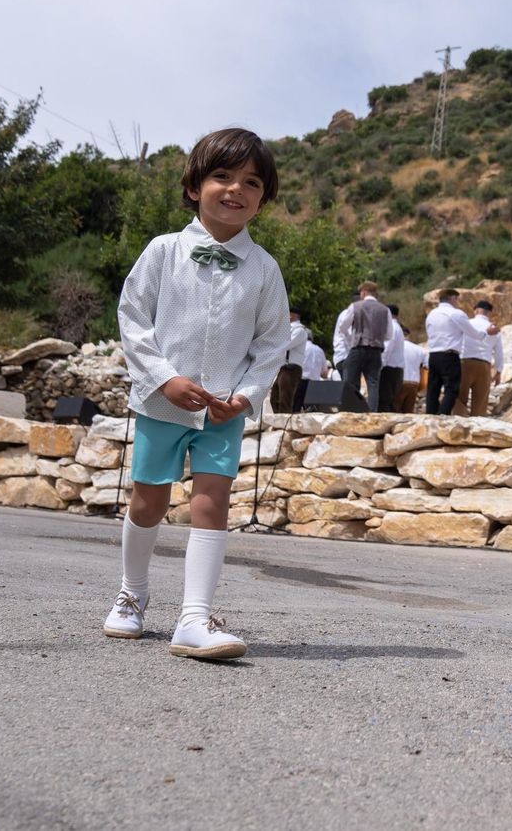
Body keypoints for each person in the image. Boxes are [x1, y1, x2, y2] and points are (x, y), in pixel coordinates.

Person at [104, 127, 291, 661]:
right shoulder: (164, 252)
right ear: (194, 187)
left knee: (213, 503)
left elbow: (273, 341)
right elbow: (133, 318)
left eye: (251, 182)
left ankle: (193, 617)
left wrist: (248, 394)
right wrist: (163, 376)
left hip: (224, 412)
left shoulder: (264, 269)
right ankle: (132, 595)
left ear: (263, 198)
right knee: (149, 500)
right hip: (162, 404)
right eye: (222, 176)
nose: (236, 189)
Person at [425, 288, 500, 416]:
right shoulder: (456, 314)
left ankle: (430, 415)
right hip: (450, 355)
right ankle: (443, 415)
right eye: (456, 299)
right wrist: (486, 333)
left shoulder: (431, 314)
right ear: (452, 298)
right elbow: (472, 333)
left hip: (433, 354)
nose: (457, 302)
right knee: (452, 388)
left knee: (433, 388)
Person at [339, 282, 390, 411]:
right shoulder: (385, 309)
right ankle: (372, 412)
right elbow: (389, 335)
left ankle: (353, 409)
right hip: (376, 350)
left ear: (364, 291)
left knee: (351, 380)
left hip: (358, 347)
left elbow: (343, 327)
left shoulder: (356, 306)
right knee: (373, 383)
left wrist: (352, 339)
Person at [456, 300, 505, 417]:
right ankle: (477, 429)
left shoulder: (467, 323)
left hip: (464, 362)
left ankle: (458, 424)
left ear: (476, 310)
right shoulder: (493, 329)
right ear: (488, 313)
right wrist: (498, 371)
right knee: (480, 401)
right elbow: (499, 352)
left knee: (459, 397)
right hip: (484, 365)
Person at [271, 306, 308, 414]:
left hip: (292, 368)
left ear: (291, 315)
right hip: (284, 367)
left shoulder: (300, 330)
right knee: (275, 397)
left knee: (285, 398)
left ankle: (283, 424)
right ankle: (278, 421)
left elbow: (287, 344)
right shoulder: (288, 329)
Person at [378, 303, 405, 412]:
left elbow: (387, 347)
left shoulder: (392, 327)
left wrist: (380, 365)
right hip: (396, 368)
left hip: (389, 368)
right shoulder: (398, 327)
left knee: (384, 400)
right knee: (389, 400)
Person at [397, 331, 425, 415]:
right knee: (409, 411)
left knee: (395, 410)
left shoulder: (397, 347)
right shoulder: (419, 349)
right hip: (414, 383)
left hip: (400, 382)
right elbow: (426, 366)